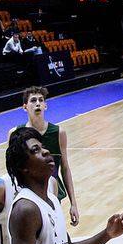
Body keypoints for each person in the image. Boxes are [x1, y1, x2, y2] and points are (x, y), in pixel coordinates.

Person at [20, 86, 80, 228]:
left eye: (41, 100)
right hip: (28, 195)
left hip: (53, 195)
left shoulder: (59, 132)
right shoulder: (17, 134)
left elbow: (65, 168)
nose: (38, 103)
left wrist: (74, 204)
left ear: (45, 105)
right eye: (33, 101)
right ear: (25, 107)